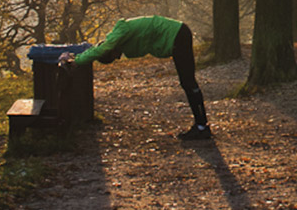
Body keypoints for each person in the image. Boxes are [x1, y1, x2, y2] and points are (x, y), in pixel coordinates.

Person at [58, 15, 212, 140]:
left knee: (188, 82)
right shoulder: (119, 39)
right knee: (188, 82)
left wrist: (76, 61)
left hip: (178, 35)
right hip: (178, 35)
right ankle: (201, 125)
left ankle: (201, 127)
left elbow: (101, 49)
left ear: (111, 49)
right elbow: (101, 49)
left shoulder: (119, 31)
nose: (118, 57)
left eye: (114, 56)